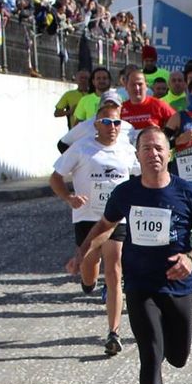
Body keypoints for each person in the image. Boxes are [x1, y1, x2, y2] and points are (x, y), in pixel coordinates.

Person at [77, 128, 192, 384]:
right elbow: (104, 226)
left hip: (178, 286)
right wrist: (83, 251)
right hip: (141, 285)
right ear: (137, 155)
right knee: (150, 354)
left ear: (168, 154)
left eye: (158, 148)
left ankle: (168, 369)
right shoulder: (126, 192)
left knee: (179, 356)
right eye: (146, 149)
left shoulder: (186, 193)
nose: (153, 153)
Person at [53, 97, 136, 355]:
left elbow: (141, 176)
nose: (112, 126)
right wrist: (69, 198)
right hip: (87, 216)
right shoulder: (81, 148)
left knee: (115, 270)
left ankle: (114, 332)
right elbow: (55, 177)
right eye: (106, 121)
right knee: (90, 267)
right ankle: (88, 282)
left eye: (117, 122)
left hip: (116, 218)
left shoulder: (126, 150)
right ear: (96, 124)